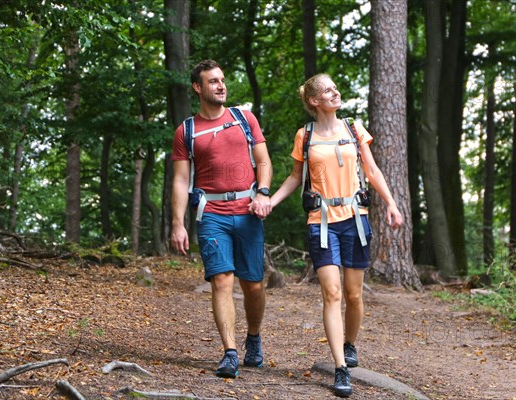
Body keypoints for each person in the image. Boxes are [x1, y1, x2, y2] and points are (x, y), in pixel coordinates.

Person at [257, 74, 402, 397]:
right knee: (332, 293)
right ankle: (340, 368)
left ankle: (350, 344)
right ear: (313, 101)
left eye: (335, 87)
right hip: (320, 222)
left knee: (354, 295)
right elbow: (296, 177)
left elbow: (373, 170)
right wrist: (271, 201)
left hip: (355, 219)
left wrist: (391, 203)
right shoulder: (304, 136)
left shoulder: (354, 129)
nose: (335, 92)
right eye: (327, 90)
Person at [171, 59, 272, 379]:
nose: (221, 85)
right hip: (211, 214)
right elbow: (179, 180)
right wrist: (177, 223)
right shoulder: (186, 131)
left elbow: (264, 161)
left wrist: (264, 193)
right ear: (198, 88)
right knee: (222, 281)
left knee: (253, 285)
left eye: (223, 80)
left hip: (248, 210)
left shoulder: (244, 118)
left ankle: (253, 339)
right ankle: (229, 352)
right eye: (213, 81)